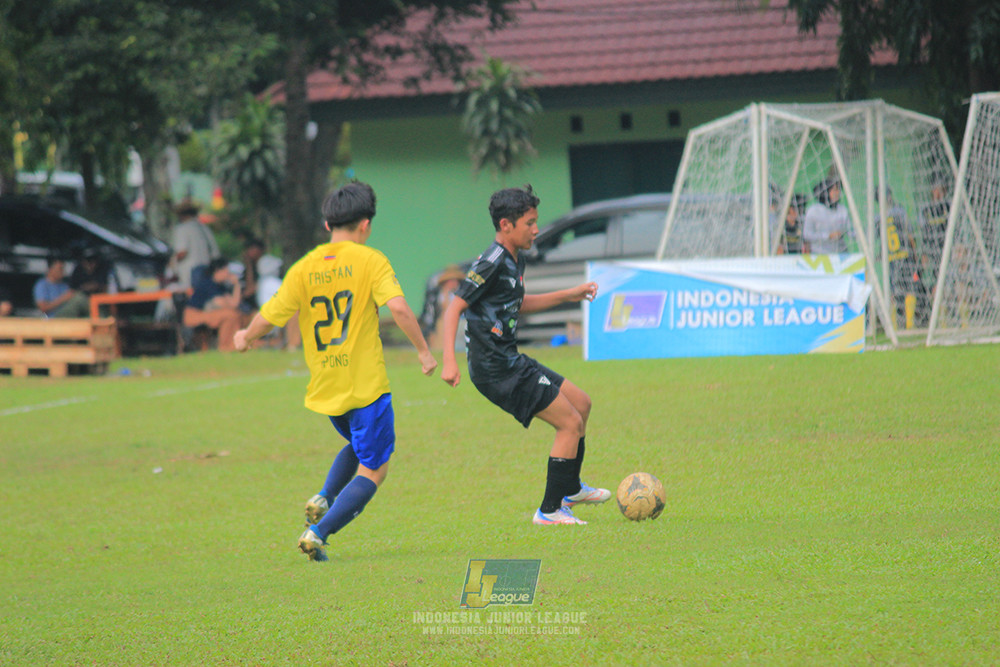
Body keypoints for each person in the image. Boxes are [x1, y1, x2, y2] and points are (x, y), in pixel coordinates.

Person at [233, 181, 436, 562]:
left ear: (328, 226)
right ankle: (317, 533)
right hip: (365, 387)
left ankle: (323, 497)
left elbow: (272, 315)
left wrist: (245, 336)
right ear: (366, 225)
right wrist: (424, 352)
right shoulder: (371, 260)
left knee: (360, 447)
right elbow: (401, 309)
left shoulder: (304, 268)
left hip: (327, 389)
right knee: (376, 468)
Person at [439, 185, 610, 526]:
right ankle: (549, 511)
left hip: (510, 359)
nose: (536, 229)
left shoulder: (517, 258)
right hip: (496, 369)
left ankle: (571, 488)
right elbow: (454, 307)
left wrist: (569, 294)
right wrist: (448, 359)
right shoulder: (490, 262)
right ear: (506, 225)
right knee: (569, 423)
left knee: (582, 404)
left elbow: (518, 302)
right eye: (530, 223)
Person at [183, 257, 242, 352]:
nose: (228, 274)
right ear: (218, 271)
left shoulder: (221, 286)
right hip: (194, 315)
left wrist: (237, 285)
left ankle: (233, 344)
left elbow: (234, 304)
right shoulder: (208, 284)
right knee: (230, 315)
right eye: (226, 271)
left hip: (208, 313)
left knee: (235, 314)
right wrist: (228, 303)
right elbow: (222, 304)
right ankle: (225, 346)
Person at [170, 199, 220, 289]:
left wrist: (172, 262)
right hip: (207, 270)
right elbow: (215, 253)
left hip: (190, 274)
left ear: (181, 215)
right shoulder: (204, 228)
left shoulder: (182, 229)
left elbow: (182, 252)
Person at [803, 177, 849, 254]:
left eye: (838, 190)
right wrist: (828, 236)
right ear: (826, 192)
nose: (838, 193)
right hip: (819, 255)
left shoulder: (842, 209)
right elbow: (807, 234)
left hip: (841, 254)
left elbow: (850, 231)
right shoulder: (813, 211)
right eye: (834, 190)